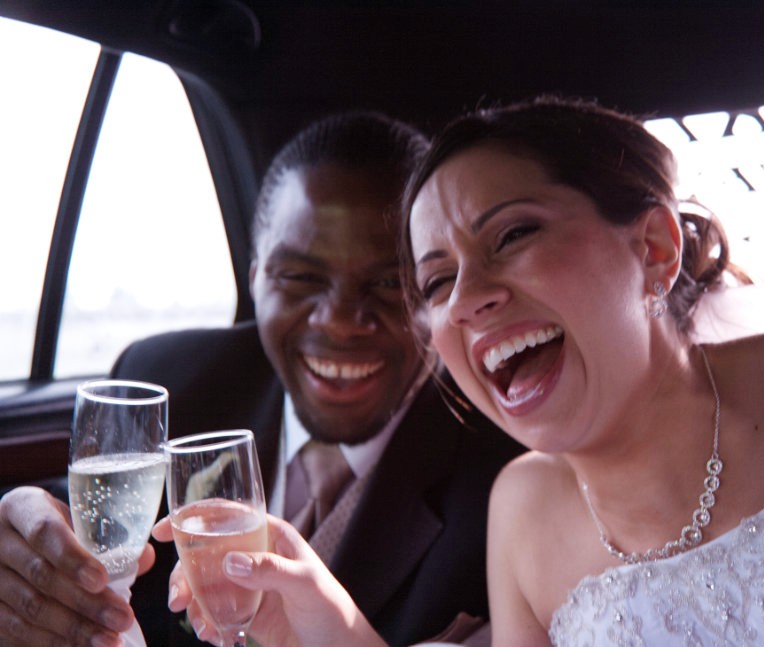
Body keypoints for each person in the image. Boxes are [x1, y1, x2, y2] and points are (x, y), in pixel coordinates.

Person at [173, 96, 764, 646]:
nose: (466, 299)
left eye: (512, 235)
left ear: (653, 247)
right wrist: (333, 631)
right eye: (434, 282)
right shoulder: (520, 514)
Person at [0, 111, 523, 647]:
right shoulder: (169, 381)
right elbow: (84, 524)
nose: (340, 320)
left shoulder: (512, 484)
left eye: (390, 282)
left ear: (437, 288)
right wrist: (25, 548)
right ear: (255, 279)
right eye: (300, 276)